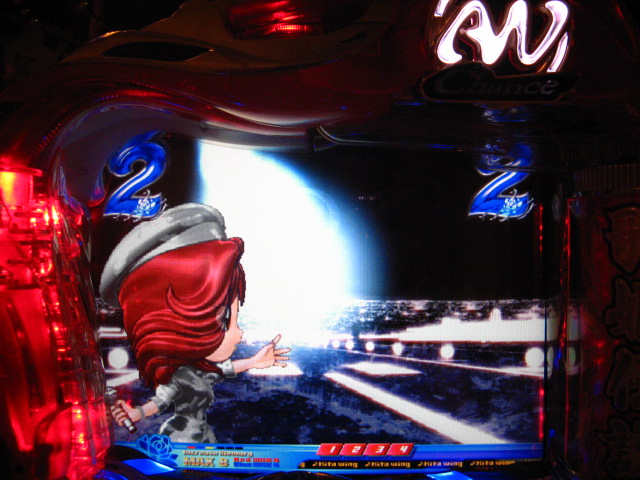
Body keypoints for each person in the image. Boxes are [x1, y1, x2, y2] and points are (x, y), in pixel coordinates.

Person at [100, 203, 290, 443]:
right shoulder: (179, 376)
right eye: (224, 320)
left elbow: (225, 369)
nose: (238, 333)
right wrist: (136, 413)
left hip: (203, 436)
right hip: (182, 438)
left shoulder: (201, 370)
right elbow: (160, 401)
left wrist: (255, 361)